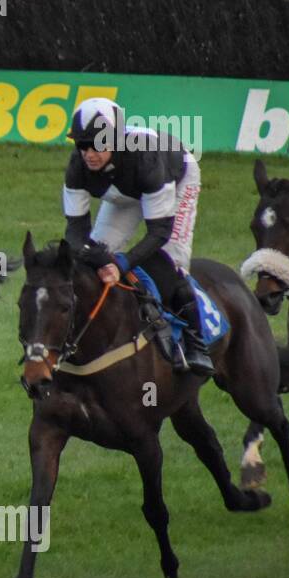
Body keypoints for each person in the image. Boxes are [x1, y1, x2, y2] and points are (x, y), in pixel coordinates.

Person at [62, 98, 213, 376]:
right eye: (82, 145)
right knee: (87, 262)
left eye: (97, 144)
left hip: (174, 178)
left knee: (170, 262)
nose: (89, 153)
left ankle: (196, 343)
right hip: (124, 192)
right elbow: (74, 231)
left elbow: (159, 233)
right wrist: (97, 257)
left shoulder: (147, 159)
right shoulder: (77, 166)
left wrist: (119, 265)